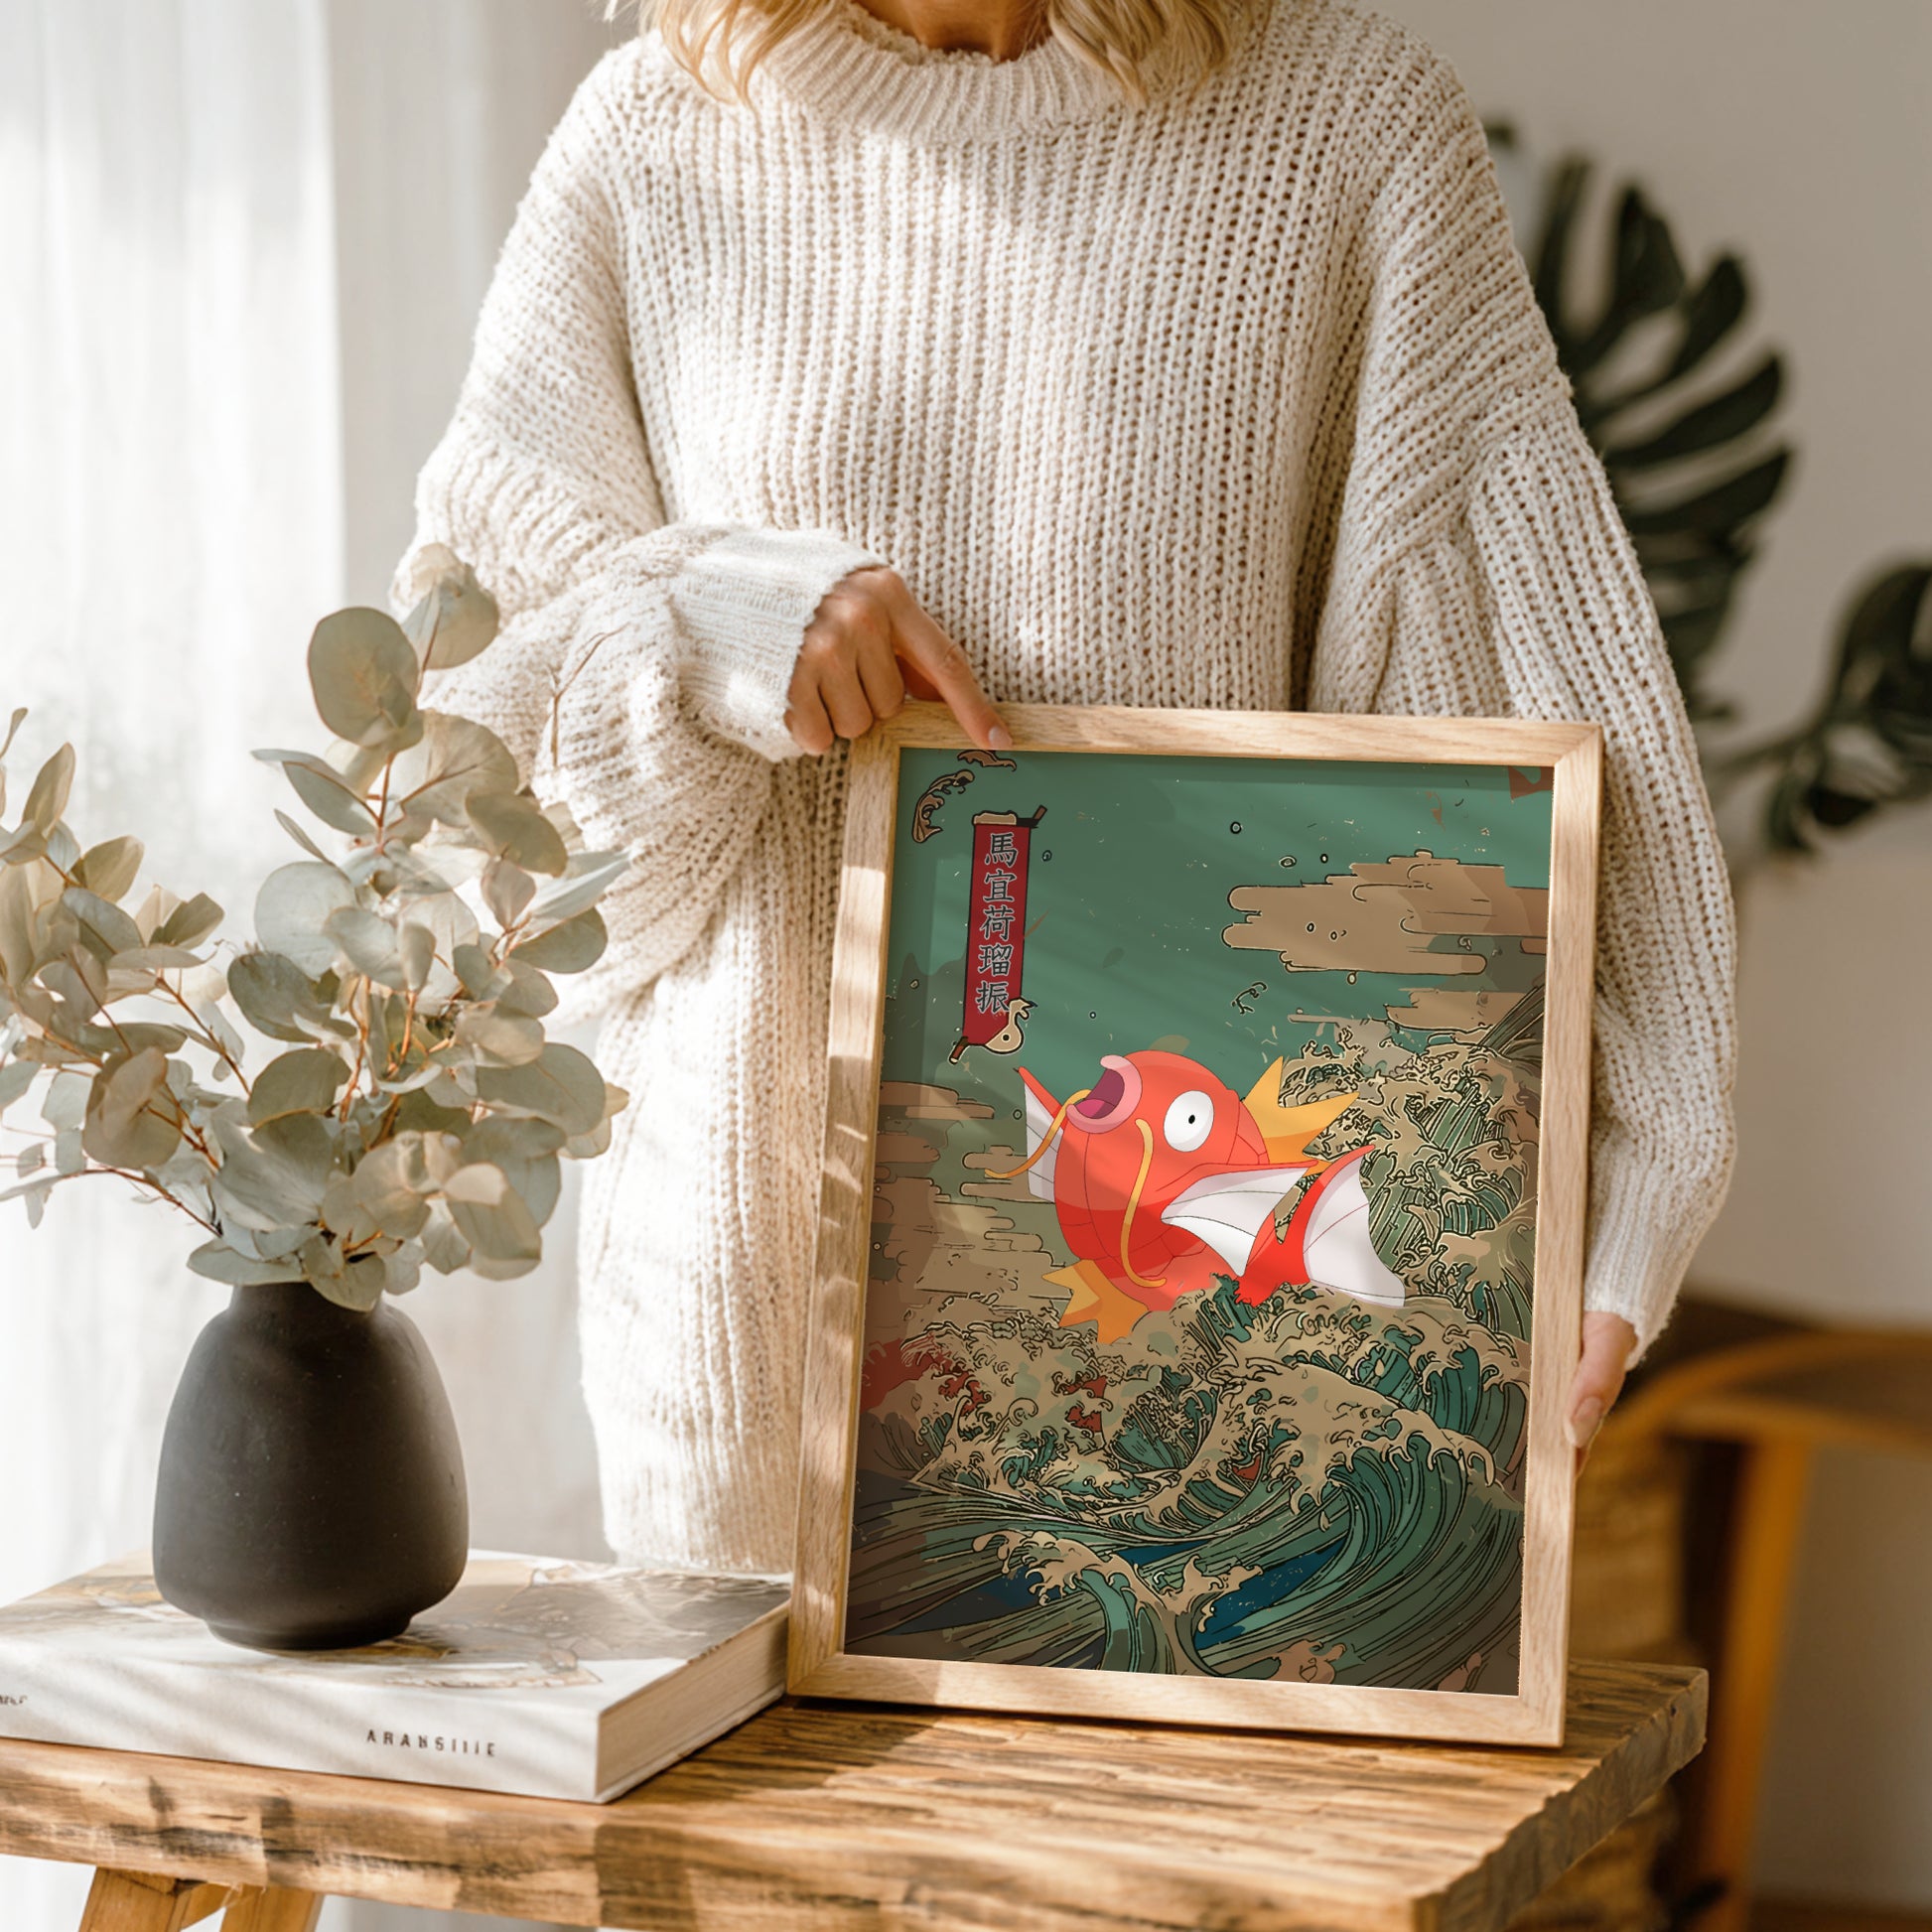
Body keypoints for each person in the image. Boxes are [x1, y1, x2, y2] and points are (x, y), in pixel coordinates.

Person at [391, 0, 1736, 1577]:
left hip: (1198, 1360)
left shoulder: (1344, 126)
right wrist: (705, 620)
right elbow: (466, 822)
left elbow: (1518, 705)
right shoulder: (649, 141)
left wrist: (1626, 1171)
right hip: (739, 1343)